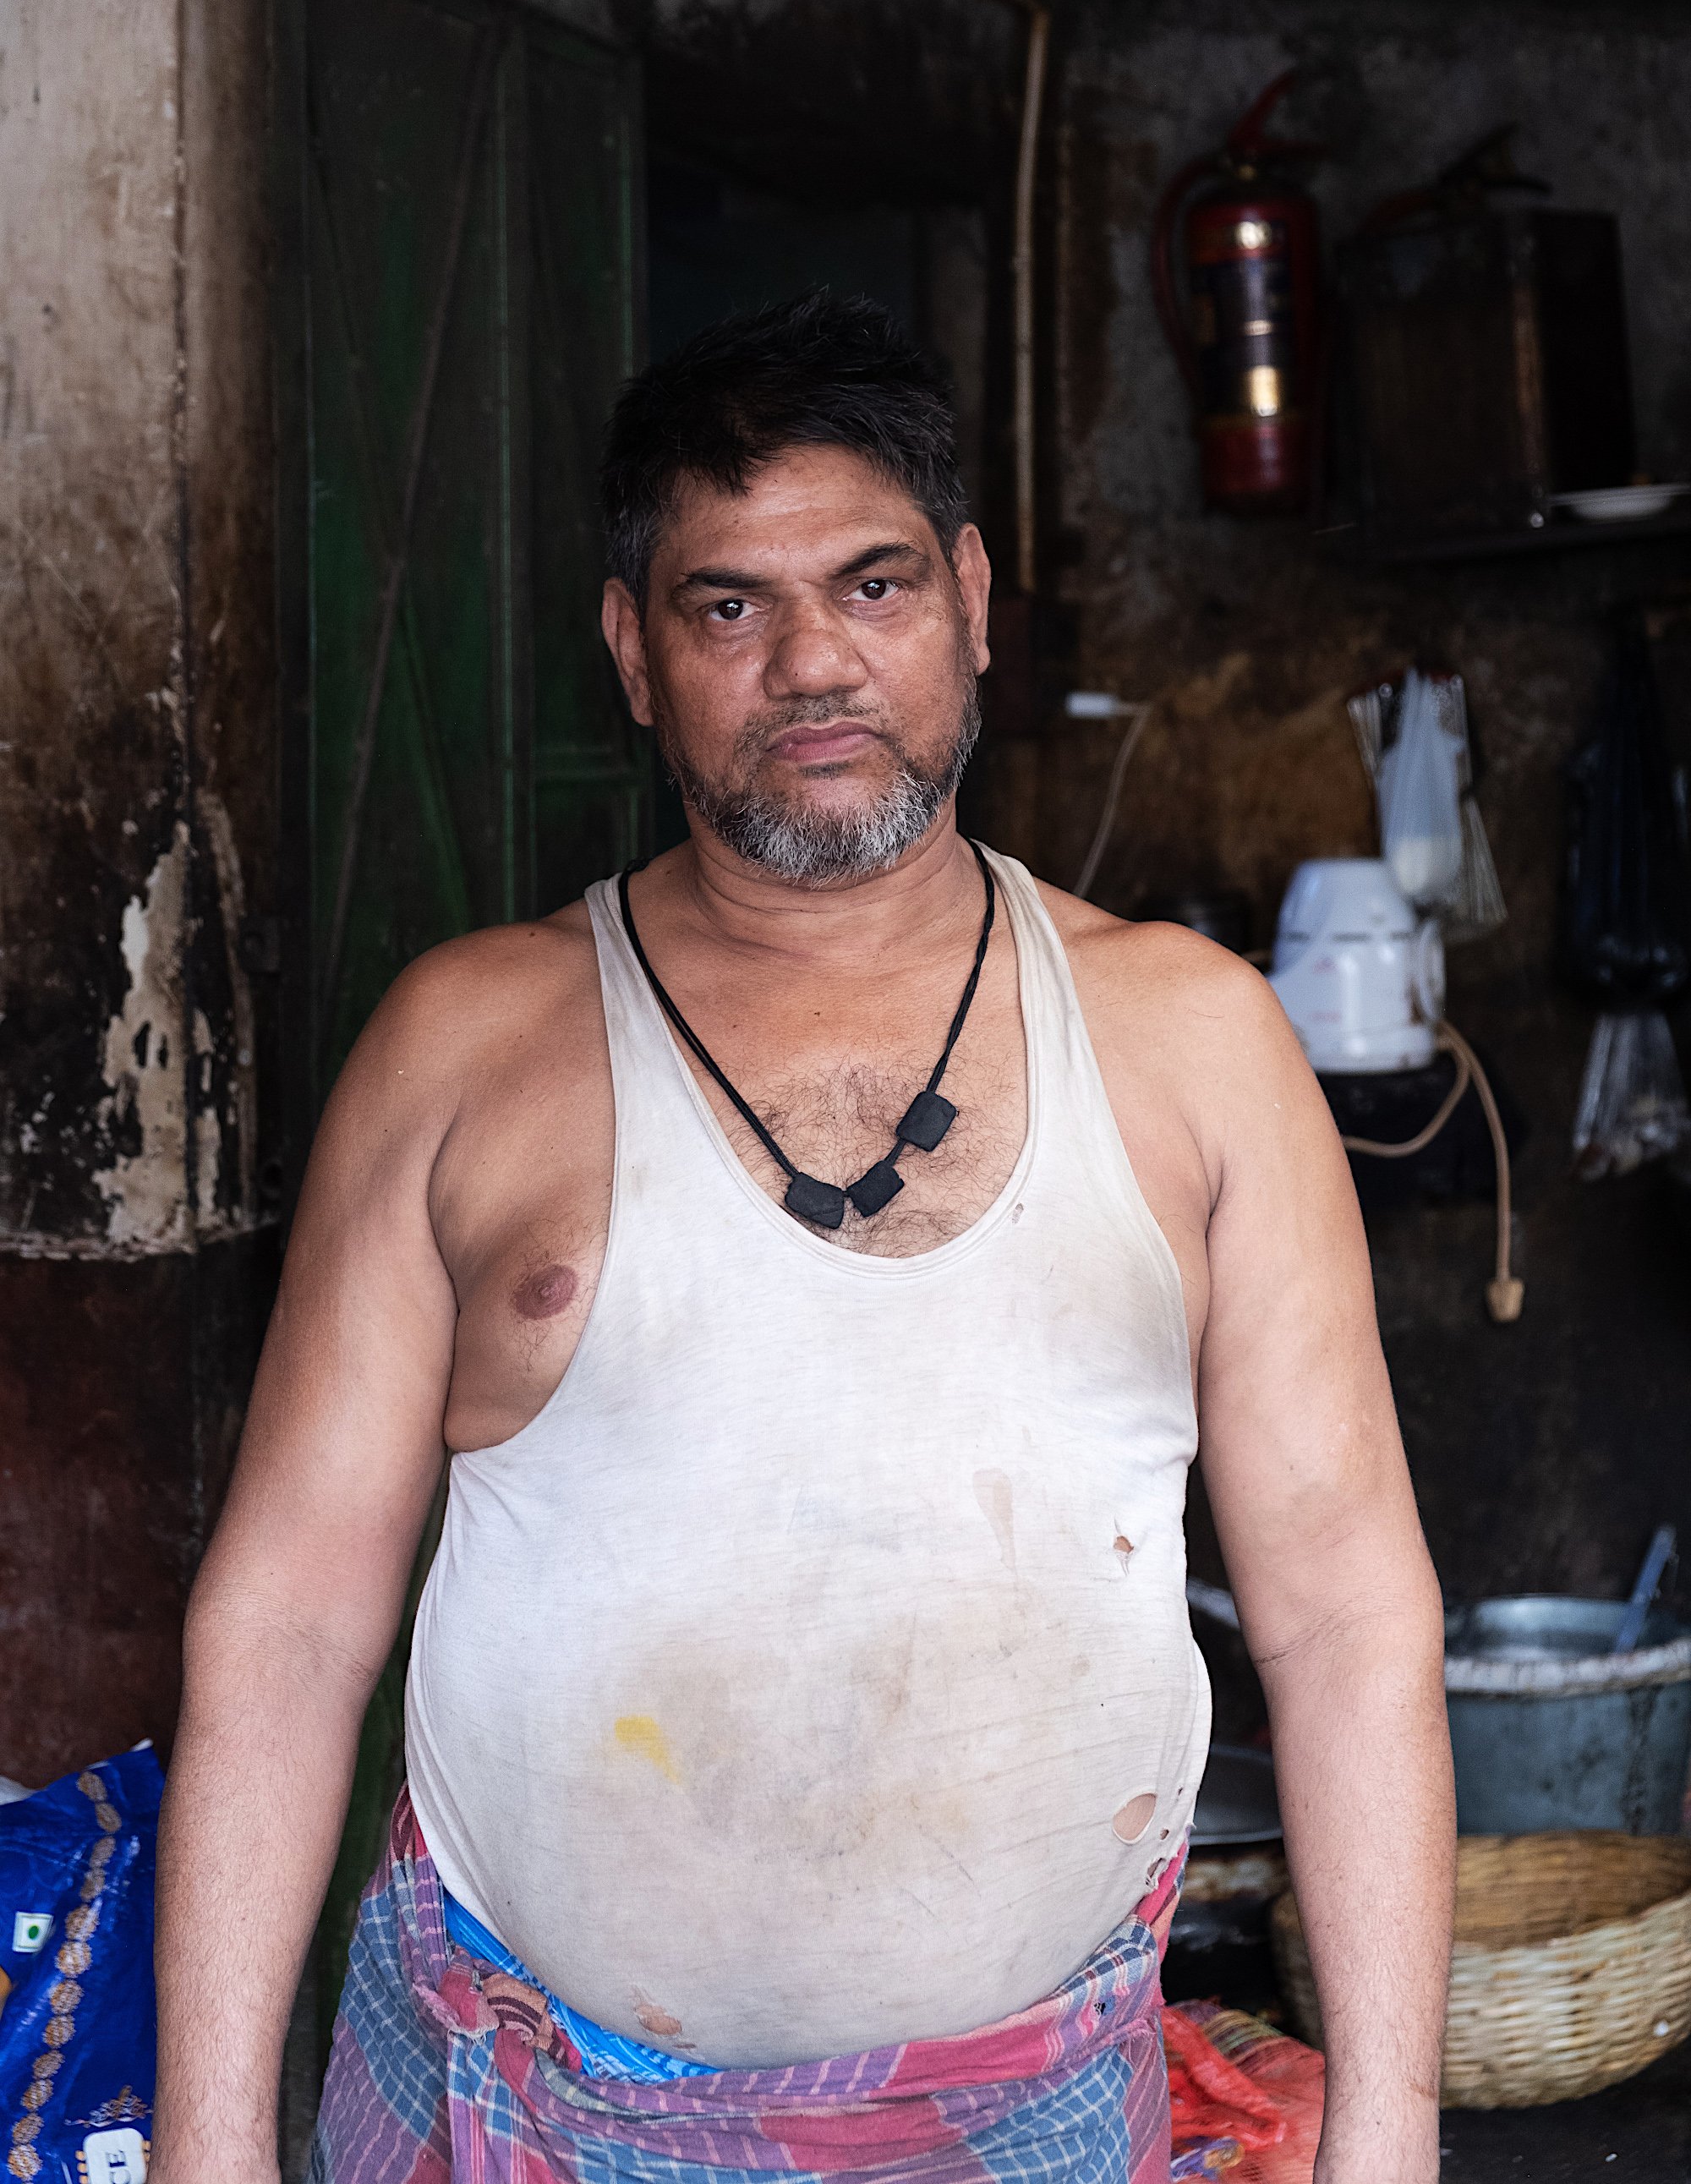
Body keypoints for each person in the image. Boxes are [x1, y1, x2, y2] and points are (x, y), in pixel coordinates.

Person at [153, 291, 1453, 2184]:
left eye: (874, 585)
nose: (812, 665)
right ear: (629, 648)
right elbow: (281, 1624)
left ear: (975, 602)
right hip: (512, 2102)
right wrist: (208, 2145)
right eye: (725, 605)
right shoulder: (462, 1042)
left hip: (1028, 2121)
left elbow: (1343, 1616)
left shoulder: (1192, 1040)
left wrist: (1391, 2136)